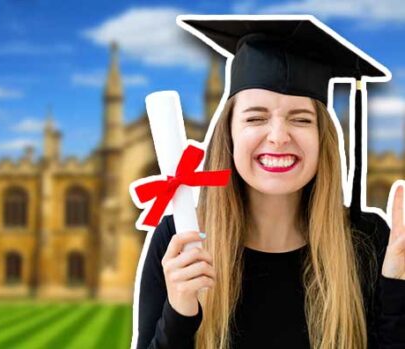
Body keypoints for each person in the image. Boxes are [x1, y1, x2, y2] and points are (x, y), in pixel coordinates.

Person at [134, 16, 405, 349]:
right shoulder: (181, 242)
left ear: (323, 139)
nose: (278, 137)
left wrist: (395, 285)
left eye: (300, 119)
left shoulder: (367, 240)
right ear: (229, 135)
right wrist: (179, 313)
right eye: (256, 118)